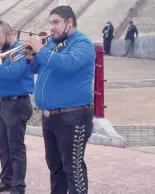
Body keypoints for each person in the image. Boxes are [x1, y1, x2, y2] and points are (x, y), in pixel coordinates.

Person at [24, 5, 95, 194]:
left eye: (56, 22)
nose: (52, 27)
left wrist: (41, 50)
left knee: (73, 169)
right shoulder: (52, 44)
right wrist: (31, 56)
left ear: (69, 22)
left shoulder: (83, 44)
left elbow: (67, 64)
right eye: (51, 23)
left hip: (73, 117)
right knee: (55, 167)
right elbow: (34, 69)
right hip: (50, 117)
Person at [0, 21, 34, 194]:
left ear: (9, 35)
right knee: (3, 145)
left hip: (17, 103)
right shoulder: (3, 52)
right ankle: (6, 181)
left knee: (16, 147)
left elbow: (11, 74)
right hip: (3, 103)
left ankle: (18, 187)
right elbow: (0, 77)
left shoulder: (21, 51)